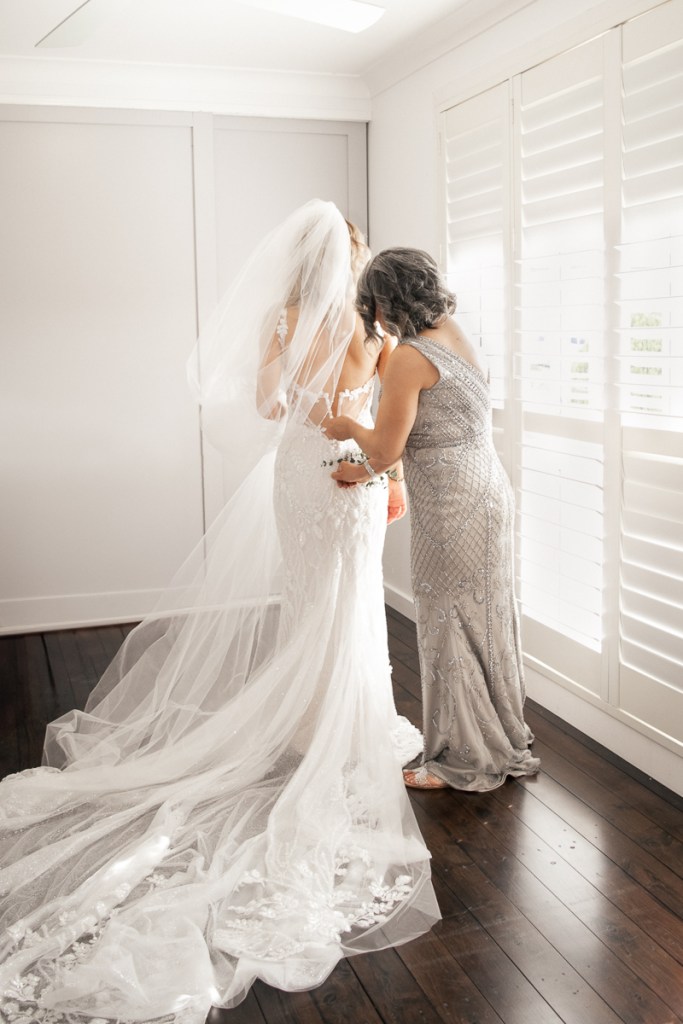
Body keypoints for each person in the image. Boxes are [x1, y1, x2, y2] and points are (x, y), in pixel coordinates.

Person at [0, 206, 439, 1024]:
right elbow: (378, 416)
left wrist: (283, 354)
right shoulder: (373, 324)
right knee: (350, 606)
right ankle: (342, 727)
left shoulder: (288, 317)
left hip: (301, 477)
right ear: (352, 259)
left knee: (310, 600)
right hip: (354, 474)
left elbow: (273, 408)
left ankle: (313, 723)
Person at [325, 247, 540, 792]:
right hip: (490, 490)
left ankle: (463, 756)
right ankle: (498, 735)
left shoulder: (408, 358)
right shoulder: (455, 334)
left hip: (452, 504)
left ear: (386, 300)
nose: (370, 314)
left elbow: (385, 451)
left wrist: (350, 428)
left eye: (371, 302)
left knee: (448, 618)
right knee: (485, 616)